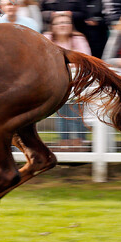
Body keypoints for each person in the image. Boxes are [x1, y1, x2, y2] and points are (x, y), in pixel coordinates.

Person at [44, 11, 92, 149]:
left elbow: (86, 59)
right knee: (62, 110)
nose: (63, 25)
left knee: (77, 109)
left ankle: (79, 141)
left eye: (66, 22)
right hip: (56, 83)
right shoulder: (47, 39)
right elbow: (44, 60)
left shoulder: (78, 38)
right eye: (59, 23)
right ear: (52, 26)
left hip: (78, 82)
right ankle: (64, 141)